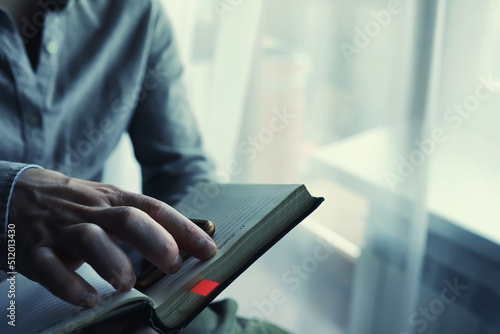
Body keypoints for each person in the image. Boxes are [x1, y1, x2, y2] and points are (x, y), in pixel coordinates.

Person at [0, 0, 289, 333]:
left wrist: (164, 303)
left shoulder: (135, 11)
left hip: (111, 299)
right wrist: (9, 195)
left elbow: (179, 169)